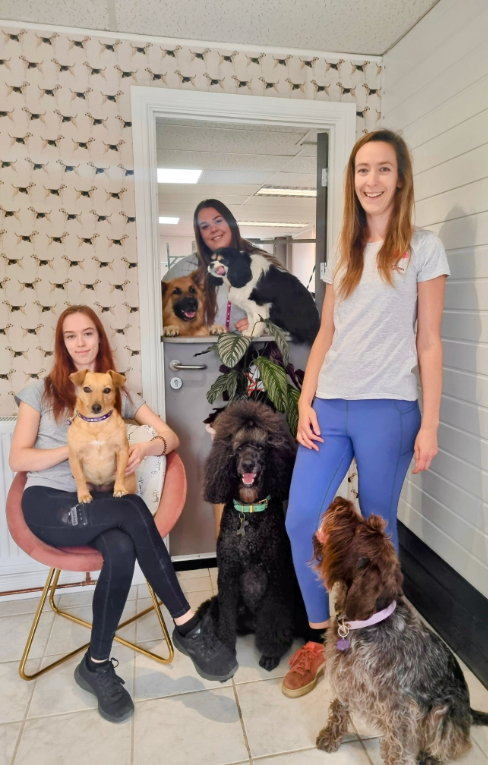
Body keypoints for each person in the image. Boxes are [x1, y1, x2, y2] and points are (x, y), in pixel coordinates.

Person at [9, 305, 238, 724]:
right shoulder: (39, 391)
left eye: (88, 334)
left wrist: (146, 448)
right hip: (48, 503)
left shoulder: (116, 390)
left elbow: (169, 436)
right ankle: (188, 626)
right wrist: (81, 443)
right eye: (71, 336)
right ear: (62, 345)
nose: (81, 343)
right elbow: (17, 458)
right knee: (131, 509)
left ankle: (95, 665)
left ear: (100, 339)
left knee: (119, 546)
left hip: (101, 505)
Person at [282, 129, 450, 699]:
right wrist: (305, 399)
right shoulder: (344, 250)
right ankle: (318, 638)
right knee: (302, 518)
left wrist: (430, 423)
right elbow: (327, 330)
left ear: (400, 178)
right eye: (361, 171)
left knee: (379, 532)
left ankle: (385, 646)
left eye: (382, 170)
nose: (370, 181)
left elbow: (429, 341)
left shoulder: (424, 248)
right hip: (330, 404)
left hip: (390, 409)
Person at [164, 198, 279, 333]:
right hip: (198, 351)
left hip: (255, 350)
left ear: (231, 224)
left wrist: (261, 321)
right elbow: (156, 314)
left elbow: (292, 307)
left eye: (218, 221)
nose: (213, 229)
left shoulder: (262, 262)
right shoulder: (185, 269)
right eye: (205, 226)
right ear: (200, 235)